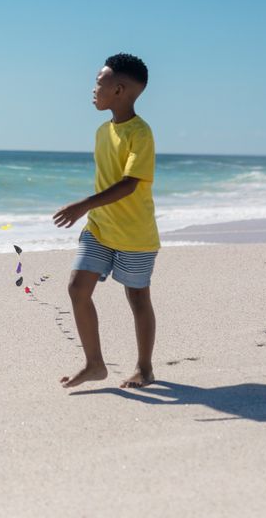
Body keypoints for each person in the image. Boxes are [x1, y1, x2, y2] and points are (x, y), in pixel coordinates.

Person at [52, 52, 158, 390]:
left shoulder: (140, 133)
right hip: (99, 228)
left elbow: (130, 184)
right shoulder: (102, 131)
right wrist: (90, 211)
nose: (93, 88)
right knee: (76, 288)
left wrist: (83, 203)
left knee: (138, 299)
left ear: (120, 89)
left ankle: (144, 367)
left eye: (99, 82)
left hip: (135, 233)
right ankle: (94, 364)